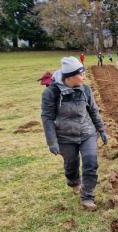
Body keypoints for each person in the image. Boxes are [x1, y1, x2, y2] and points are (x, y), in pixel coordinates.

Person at [41, 56, 108, 210]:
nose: (84, 77)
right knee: (71, 165)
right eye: (81, 74)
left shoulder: (85, 90)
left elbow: (93, 111)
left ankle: (87, 197)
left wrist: (101, 129)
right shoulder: (51, 93)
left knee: (91, 162)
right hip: (65, 137)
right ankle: (74, 182)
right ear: (70, 77)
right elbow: (47, 118)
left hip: (87, 133)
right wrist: (52, 141)